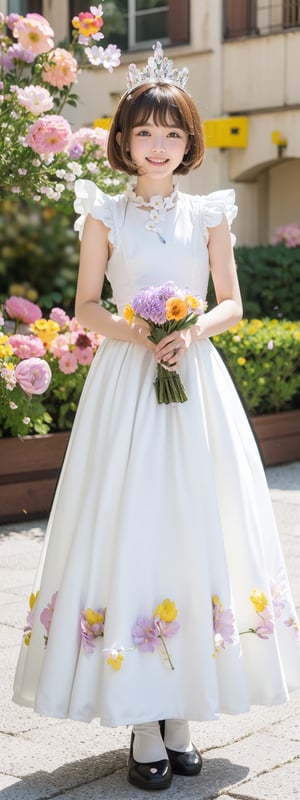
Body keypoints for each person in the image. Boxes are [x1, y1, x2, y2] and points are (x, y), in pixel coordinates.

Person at [13, 42, 300, 793]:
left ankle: (183, 712)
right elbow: (83, 309)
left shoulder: (210, 211)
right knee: (132, 526)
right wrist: (142, 334)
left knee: (195, 527)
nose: (160, 145)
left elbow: (233, 302)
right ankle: (142, 717)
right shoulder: (102, 212)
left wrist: (189, 330)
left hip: (195, 383)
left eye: (173, 133)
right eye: (146, 132)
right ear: (123, 140)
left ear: (190, 141)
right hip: (127, 387)